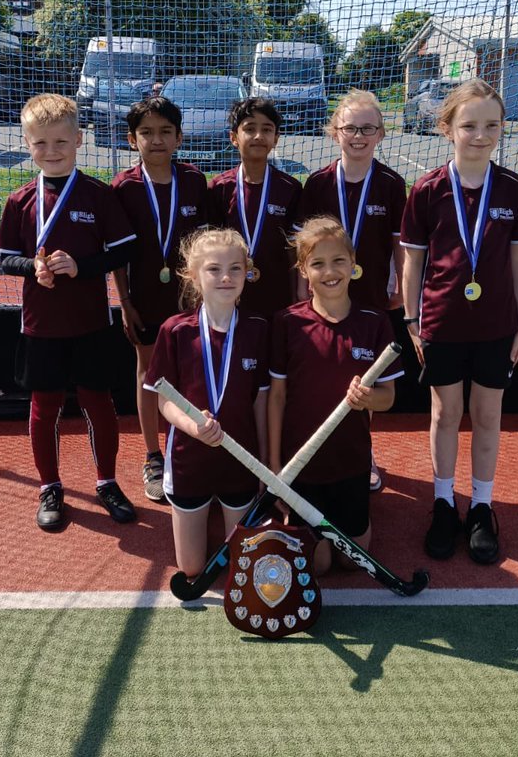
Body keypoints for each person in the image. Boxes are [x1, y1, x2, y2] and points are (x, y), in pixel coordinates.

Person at [400, 79, 518, 565]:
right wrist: (412, 319)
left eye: (491, 125)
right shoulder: (428, 190)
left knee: (487, 416)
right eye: (470, 125)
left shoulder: (514, 188)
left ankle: (480, 507)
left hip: (497, 326)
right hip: (440, 323)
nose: (481, 135)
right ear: (447, 128)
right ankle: (442, 503)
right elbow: (412, 262)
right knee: (444, 414)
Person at [0, 93, 139, 531]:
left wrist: (81, 267)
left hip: (91, 322)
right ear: (27, 143)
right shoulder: (20, 200)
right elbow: (4, 257)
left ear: (78, 140)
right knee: (45, 405)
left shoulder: (98, 195)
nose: (51, 151)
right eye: (40, 144)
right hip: (41, 324)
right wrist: (31, 267)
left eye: (60, 142)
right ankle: (50, 487)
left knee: (99, 403)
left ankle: (107, 481)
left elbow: (124, 249)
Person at [268, 217, 403, 576]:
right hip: (302, 466)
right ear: (303, 270)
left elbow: (388, 397)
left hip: (351, 463)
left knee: (351, 562)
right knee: (319, 565)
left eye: (338, 261)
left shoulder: (374, 323)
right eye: (318, 263)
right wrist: (273, 468)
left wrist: (366, 399)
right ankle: (294, 516)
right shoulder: (287, 323)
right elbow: (277, 398)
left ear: (353, 262)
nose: (330, 271)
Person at [297, 89, 407, 491]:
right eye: (349, 128)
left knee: (367, 381)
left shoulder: (393, 185)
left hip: (371, 299)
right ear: (334, 132)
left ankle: (363, 452)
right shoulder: (318, 184)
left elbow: (400, 247)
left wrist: (403, 291)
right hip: (323, 298)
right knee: (326, 375)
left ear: (380, 133)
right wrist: (300, 297)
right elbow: (304, 246)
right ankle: (320, 447)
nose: (358, 136)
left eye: (367, 128)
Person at [144, 228, 270, 577]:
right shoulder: (175, 330)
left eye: (235, 268)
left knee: (240, 568)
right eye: (214, 269)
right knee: (192, 569)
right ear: (194, 276)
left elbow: (261, 403)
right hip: (189, 460)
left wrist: (263, 465)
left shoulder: (257, 330)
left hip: (240, 461)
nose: (226, 277)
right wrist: (191, 427)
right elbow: (164, 402)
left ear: (248, 273)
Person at [111, 96, 209, 504]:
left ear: (179, 137)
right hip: (145, 297)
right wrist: (125, 302)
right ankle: (153, 454)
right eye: (147, 133)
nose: (156, 140)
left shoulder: (194, 181)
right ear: (133, 140)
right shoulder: (123, 187)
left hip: (187, 297)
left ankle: (182, 446)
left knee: (189, 373)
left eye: (165, 132)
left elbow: (203, 245)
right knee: (148, 370)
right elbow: (117, 254)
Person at [208, 96, 302, 319]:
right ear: (234, 138)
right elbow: (210, 248)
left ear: (276, 138)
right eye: (250, 129)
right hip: (230, 295)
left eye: (267, 129)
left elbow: (295, 248)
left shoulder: (290, 188)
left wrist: (299, 289)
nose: (259, 136)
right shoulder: (219, 188)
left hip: (278, 295)